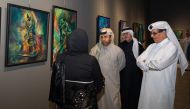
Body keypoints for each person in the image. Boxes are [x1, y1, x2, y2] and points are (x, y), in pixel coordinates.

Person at [136, 21, 188, 109]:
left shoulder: (172, 47)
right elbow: (138, 60)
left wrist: (145, 64)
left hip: (162, 87)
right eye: (151, 33)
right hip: (147, 85)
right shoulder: (151, 46)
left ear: (164, 32)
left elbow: (160, 64)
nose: (152, 36)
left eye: (154, 33)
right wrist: (145, 64)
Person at [49, 28, 105, 109]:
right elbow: (99, 86)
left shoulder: (60, 59)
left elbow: (56, 85)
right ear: (85, 43)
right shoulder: (91, 61)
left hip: (64, 106)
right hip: (86, 105)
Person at [90, 28, 126, 109]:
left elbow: (122, 65)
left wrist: (112, 71)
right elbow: (91, 65)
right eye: (102, 37)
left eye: (106, 37)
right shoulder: (95, 50)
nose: (104, 39)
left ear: (111, 37)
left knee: (114, 102)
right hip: (100, 83)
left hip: (113, 82)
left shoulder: (118, 51)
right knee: (101, 103)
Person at [118, 27, 144, 109]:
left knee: (135, 94)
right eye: (124, 34)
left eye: (127, 33)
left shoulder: (139, 46)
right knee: (124, 93)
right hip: (124, 75)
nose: (125, 35)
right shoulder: (120, 45)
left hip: (136, 75)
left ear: (131, 34)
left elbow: (144, 60)